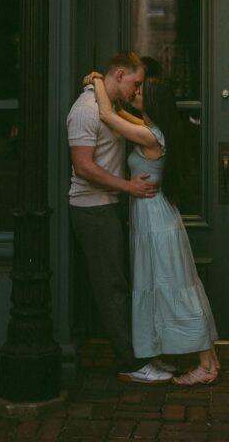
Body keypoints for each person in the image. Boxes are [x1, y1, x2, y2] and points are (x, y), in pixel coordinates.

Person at [85, 71, 220, 386]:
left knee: (174, 287)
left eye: (141, 91)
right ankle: (209, 361)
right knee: (173, 286)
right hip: (153, 218)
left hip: (156, 222)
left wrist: (97, 82)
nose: (136, 92)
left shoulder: (150, 135)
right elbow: (117, 113)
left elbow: (107, 114)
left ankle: (206, 365)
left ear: (153, 101)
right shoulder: (148, 128)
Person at [67, 50, 173, 384]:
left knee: (119, 285)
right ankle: (132, 364)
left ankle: (140, 355)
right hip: (93, 209)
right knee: (112, 288)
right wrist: (127, 187)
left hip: (107, 207)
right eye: (135, 83)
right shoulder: (85, 112)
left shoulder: (110, 108)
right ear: (119, 75)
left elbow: (118, 118)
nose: (137, 90)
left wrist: (96, 80)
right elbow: (83, 167)